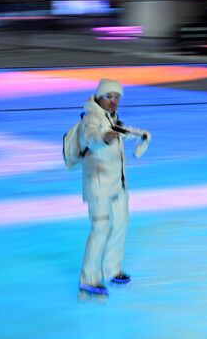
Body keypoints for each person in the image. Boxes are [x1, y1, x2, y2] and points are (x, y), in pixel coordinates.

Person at [78, 78, 150, 296]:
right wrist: (104, 137)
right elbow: (91, 138)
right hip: (98, 188)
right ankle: (89, 279)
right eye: (109, 96)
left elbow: (120, 131)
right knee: (100, 230)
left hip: (118, 186)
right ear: (99, 96)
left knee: (120, 226)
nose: (113, 100)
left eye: (116, 97)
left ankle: (112, 269)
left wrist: (138, 135)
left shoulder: (112, 118)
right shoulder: (91, 118)